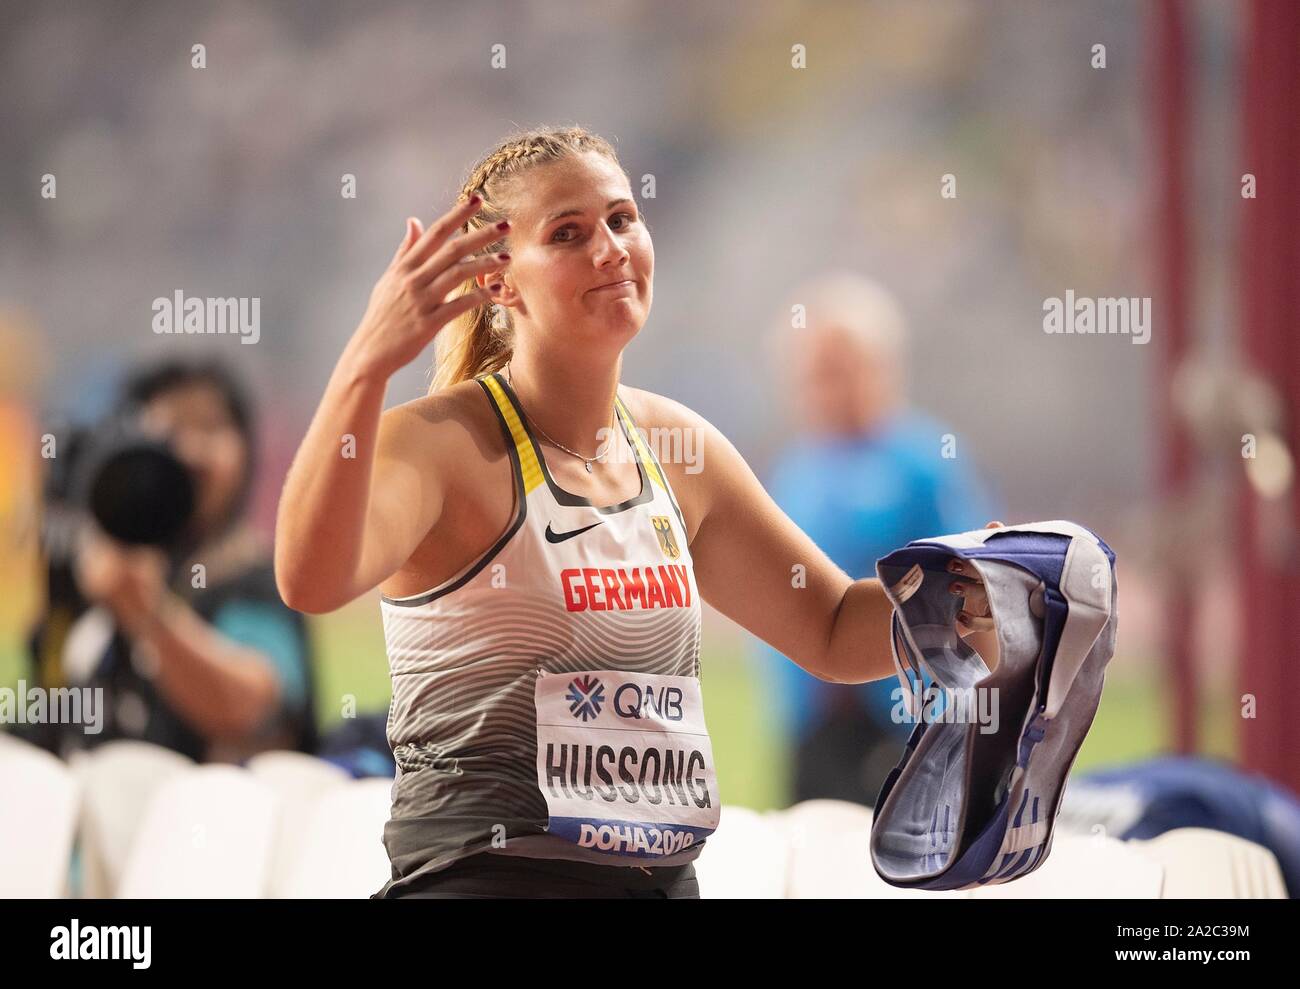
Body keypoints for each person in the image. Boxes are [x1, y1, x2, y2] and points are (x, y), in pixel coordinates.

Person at [275, 125, 1002, 899]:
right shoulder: (440, 445)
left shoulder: (677, 447)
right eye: (568, 233)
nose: (611, 247)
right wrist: (365, 365)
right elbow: (311, 580)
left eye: (623, 219)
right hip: (485, 879)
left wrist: (974, 586)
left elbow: (829, 628)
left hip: (657, 884)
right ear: (498, 280)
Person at [755, 273, 1001, 806]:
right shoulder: (797, 469)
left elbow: (979, 588)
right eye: (810, 375)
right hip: (810, 721)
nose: (821, 389)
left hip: (904, 719)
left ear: (880, 368)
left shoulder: (925, 464)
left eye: (836, 372)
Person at [26, 360, 316, 763]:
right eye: (172, 429)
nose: (192, 450)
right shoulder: (87, 572)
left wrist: (146, 613)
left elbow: (256, 708)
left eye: (212, 428)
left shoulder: (251, 577)